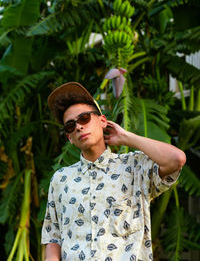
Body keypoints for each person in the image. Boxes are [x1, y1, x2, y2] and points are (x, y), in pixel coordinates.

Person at [41, 82, 186, 261]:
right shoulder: (61, 179)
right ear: (69, 137)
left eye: (84, 118)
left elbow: (176, 160)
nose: (79, 127)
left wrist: (126, 137)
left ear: (103, 121)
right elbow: (53, 234)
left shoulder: (134, 167)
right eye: (70, 126)